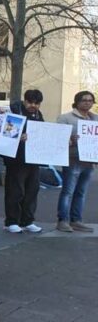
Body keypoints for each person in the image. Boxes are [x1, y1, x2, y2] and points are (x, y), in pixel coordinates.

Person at [4, 90, 45, 234]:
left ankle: (27, 220)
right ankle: (12, 221)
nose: (33, 105)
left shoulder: (38, 115)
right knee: (15, 191)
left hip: (33, 159)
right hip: (16, 159)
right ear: (25, 100)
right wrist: (18, 137)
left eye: (37, 103)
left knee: (32, 191)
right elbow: (7, 132)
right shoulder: (14, 111)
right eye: (30, 102)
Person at [55, 91, 97, 232]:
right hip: (72, 160)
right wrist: (71, 140)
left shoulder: (95, 119)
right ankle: (63, 220)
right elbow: (58, 138)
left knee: (81, 192)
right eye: (84, 100)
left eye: (90, 100)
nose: (87, 102)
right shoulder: (65, 118)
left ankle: (76, 220)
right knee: (68, 191)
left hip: (89, 161)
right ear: (77, 101)